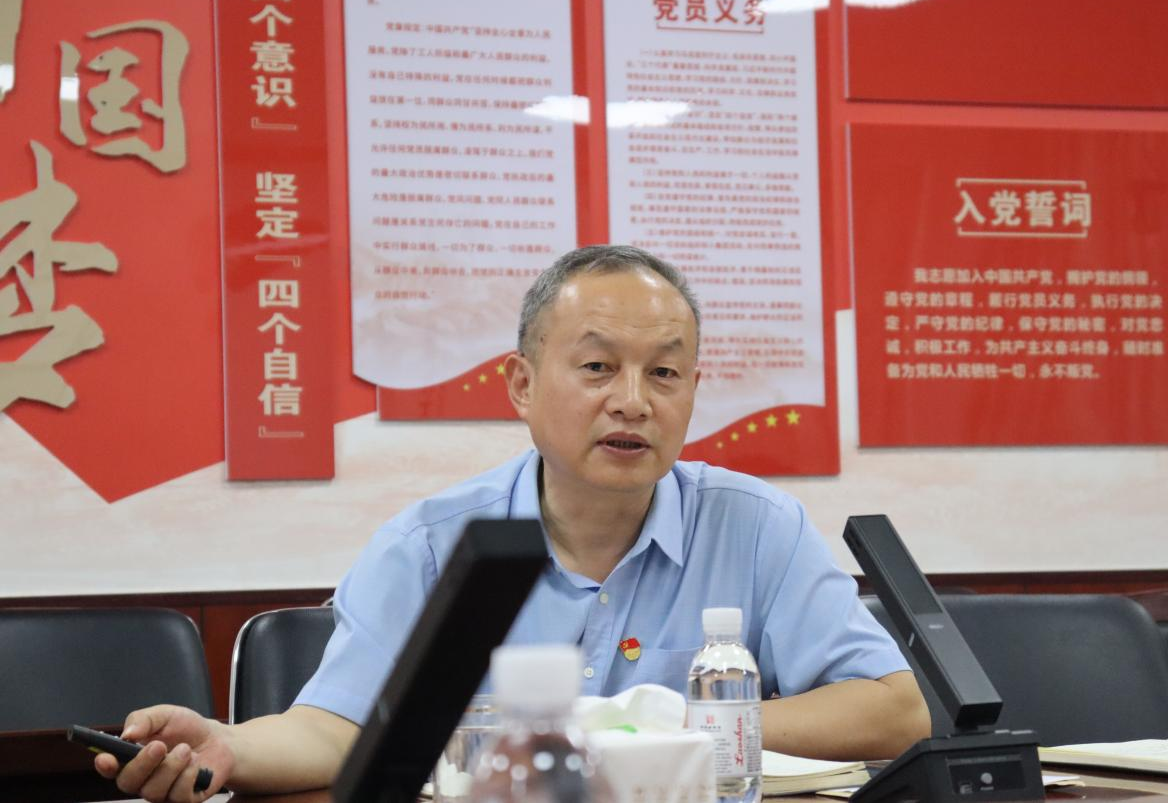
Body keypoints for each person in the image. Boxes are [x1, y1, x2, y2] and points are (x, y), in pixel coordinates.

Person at [96, 246, 930, 802]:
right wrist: (228, 748)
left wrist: (669, 723)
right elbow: (337, 726)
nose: (632, 400)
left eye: (664, 373)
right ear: (522, 385)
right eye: (597, 366)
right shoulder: (431, 545)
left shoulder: (755, 526)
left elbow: (895, 710)